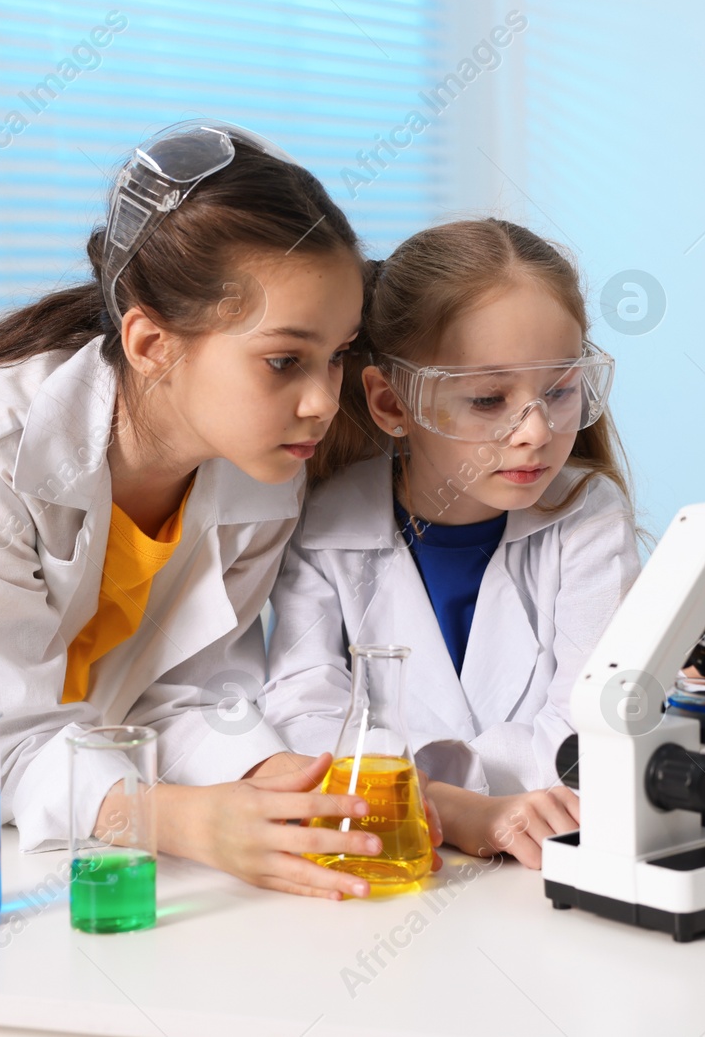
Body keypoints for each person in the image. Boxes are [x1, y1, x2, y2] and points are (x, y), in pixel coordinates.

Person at [0, 122, 430, 899]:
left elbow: (186, 692)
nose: (323, 401)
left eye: (337, 355)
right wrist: (190, 822)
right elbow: (2, 736)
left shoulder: (261, 470)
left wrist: (277, 784)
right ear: (149, 343)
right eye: (284, 360)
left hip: (39, 804)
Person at [260, 219, 641, 868]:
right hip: (392, 872)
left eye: (559, 390)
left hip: (540, 869)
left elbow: (592, 731)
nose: (536, 431)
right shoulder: (322, 528)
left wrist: (416, 786)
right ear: (390, 403)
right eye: (489, 398)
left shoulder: (588, 517)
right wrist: (467, 813)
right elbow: (305, 723)